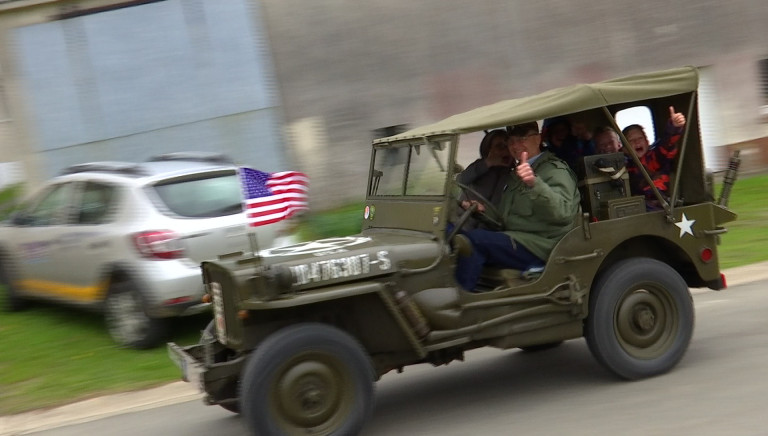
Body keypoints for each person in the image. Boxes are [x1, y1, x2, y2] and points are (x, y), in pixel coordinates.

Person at [455, 121, 581, 291]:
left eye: (522, 139)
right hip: (518, 238)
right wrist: (483, 211)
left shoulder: (554, 170)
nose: (515, 145)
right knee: (457, 237)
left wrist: (534, 183)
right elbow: (508, 217)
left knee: (474, 241)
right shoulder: (518, 172)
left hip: (542, 246)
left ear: (537, 139)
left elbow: (563, 213)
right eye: (511, 141)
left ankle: (461, 301)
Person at [621, 106, 686, 210]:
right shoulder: (624, 166)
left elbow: (667, 144)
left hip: (660, 205)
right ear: (624, 149)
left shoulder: (654, 158)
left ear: (647, 142)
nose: (637, 142)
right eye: (631, 140)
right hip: (636, 207)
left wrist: (674, 127)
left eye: (640, 138)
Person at [456, 129, 512, 208]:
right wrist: (488, 163)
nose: (505, 150)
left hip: (491, 218)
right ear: (489, 150)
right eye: (499, 146)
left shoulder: (514, 174)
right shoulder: (479, 166)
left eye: (507, 146)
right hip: (466, 216)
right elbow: (461, 180)